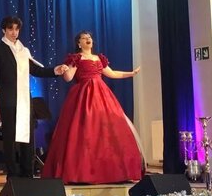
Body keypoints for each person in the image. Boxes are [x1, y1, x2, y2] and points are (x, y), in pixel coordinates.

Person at [41, 30, 144, 184]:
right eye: (84, 38)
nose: (88, 39)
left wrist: (131, 73)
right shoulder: (76, 58)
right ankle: (82, 171)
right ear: (79, 43)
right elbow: (68, 78)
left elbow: (112, 73)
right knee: (85, 129)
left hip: (102, 95)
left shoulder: (99, 58)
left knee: (107, 129)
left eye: (89, 37)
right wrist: (65, 69)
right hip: (84, 96)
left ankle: (112, 170)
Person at [0, 16, 67, 178]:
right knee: (10, 137)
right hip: (9, 100)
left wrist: (55, 70)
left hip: (25, 100)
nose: (14, 32)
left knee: (28, 136)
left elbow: (36, 70)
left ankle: (28, 173)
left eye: (17, 29)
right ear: (4, 30)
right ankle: (12, 174)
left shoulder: (23, 50)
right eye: (10, 28)